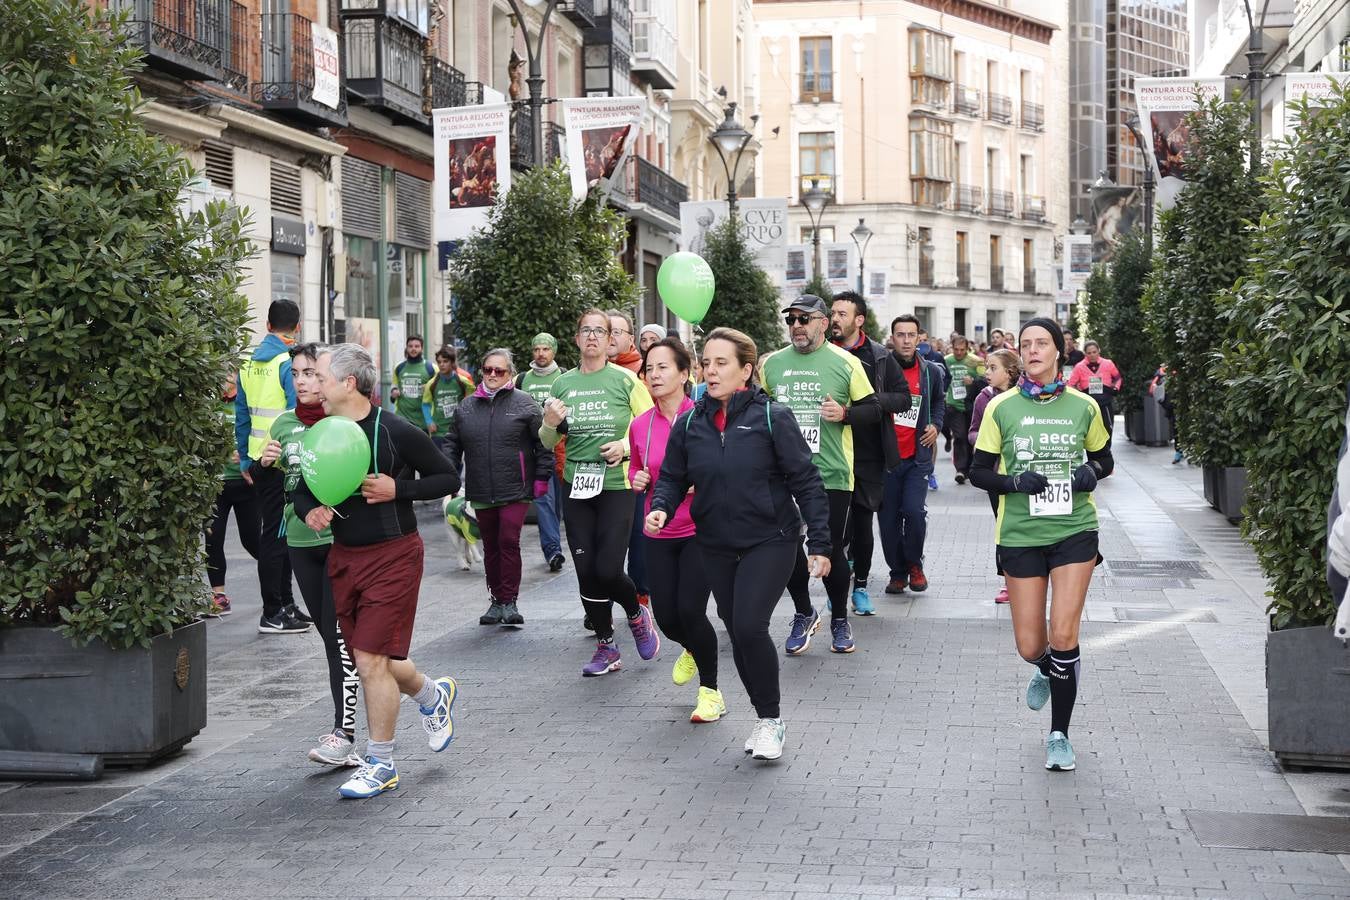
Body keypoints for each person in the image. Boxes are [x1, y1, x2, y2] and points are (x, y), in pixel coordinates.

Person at [647, 327, 831, 762]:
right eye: (706, 363)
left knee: (749, 626)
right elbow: (674, 476)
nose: (711, 371)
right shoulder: (691, 422)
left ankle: (770, 721)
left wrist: (820, 544)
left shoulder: (772, 417)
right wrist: (662, 506)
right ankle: (762, 716)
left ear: (746, 370)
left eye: (721, 363)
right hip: (715, 543)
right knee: (739, 632)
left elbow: (806, 481)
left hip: (771, 539)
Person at [292, 344, 461, 799]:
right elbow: (301, 489)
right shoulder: (321, 431)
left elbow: (448, 478)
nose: (314, 386)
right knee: (380, 660)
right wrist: (309, 511)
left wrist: (397, 488)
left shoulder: (394, 430)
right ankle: (430, 695)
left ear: (348, 383)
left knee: (368, 660)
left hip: (394, 555)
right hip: (344, 557)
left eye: (321, 377)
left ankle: (380, 762)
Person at [968, 318, 1113, 773]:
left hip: (1074, 529)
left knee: (1065, 634)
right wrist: (1013, 481)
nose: (1032, 351)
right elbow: (978, 471)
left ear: (1058, 352)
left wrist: (1092, 473)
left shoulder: (1085, 406)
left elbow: (1104, 458)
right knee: (1031, 644)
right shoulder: (1001, 407)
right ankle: (1044, 665)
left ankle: (1059, 736)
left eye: (1041, 344)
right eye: (1026, 344)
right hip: (1021, 534)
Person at [257, 343, 361, 767]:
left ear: (326, 378)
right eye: (296, 374)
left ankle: (345, 732)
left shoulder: (343, 421)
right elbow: (278, 495)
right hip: (300, 545)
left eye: (310, 374)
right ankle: (421, 690)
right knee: (330, 642)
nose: (303, 381)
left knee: (340, 642)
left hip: (339, 543)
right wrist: (265, 466)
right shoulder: (282, 425)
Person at [540, 309, 660, 676]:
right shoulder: (562, 384)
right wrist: (548, 423)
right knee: (586, 571)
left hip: (616, 485)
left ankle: (638, 615)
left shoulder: (626, 381)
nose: (592, 337)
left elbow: (650, 426)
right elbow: (548, 442)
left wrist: (624, 447)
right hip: (576, 486)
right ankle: (606, 645)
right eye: (585, 331)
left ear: (610, 341)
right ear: (576, 339)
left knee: (608, 568)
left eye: (600, 331)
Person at [761, 295, 880, 655]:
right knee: (787, 549)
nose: (796, 326)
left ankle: (839, 619)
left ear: (824, 323)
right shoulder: (774, 364)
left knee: (828, 550)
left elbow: (873, 410)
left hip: (830, 473)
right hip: (782, 474)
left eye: (804, 319)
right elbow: (759, 411)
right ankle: (803, 611)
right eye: (791, 320)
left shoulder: (847, 363)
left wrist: (844, 413)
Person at [629, 337, 723, 723]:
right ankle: (690, 647)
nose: (654, 374)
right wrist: (637, 479)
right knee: (667, 618)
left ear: (685, 374)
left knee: (691, 610)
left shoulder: (706, 419)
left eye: (663, 367)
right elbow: (637, 469)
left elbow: (725, 471)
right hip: (659, 531)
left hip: (700, 530)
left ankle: (711, 691)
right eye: (649, 368)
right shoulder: (639, 426)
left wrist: (695, 483)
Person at [441, 349, 553, 627]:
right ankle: (495, 602)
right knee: (490, 545)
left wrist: (541, 479)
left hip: (516, 488)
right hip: (480, 488)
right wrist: (448, 475)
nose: (492, 375)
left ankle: (510, 601)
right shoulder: (466, 407)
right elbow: (452, 444)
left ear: (510, 374)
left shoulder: (525, 403)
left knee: (507, 541)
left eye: (499, 371)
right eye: (488, 369)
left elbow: (543, 445)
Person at [828, 291, 910, 616]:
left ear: (859, 320)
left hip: (868, 454)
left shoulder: (877, 356)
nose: (835, 319)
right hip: (831, 453)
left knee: (862, 526)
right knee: (838, 529)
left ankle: (859, 586)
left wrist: (869, 403)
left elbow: (903, 398)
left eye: (842, 314)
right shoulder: (824, 354)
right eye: (833, 313)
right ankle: (842, 575)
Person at [236, 298, 308, 634]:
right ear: (296, 328)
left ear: (267, 326)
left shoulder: (247, 361)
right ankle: (272, 610)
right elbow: (298, 413)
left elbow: (241, 415)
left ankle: (287, 604)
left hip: (258, 460)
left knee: (279, 533)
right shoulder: (287, 362)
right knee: (277, 536)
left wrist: (245, 459)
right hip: (282, 461)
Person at [881, 315, 946, 595]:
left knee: (914, 512)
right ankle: (897, 572)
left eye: (911, 335)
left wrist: (936, 425)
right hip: (886, 459)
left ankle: (914, 565)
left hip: (917, 458)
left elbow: (939, 402)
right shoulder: (881, 369)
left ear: (919, 338)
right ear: (892, 338)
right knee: (888, 520)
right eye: (900, 335)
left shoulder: (930, 371)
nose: (906, 340)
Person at [967, 348, 1022, 605]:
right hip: (996, 475)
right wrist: (986, 441)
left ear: (1009, 372)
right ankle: (1008, 581)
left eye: (992, 368)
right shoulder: (983, 399)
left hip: (1023, 472)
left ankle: (1031, 578)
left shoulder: (1026, 397)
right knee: (1004, 526)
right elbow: (973, 431)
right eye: (986, 367)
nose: (987, 373)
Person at [206, 370, 259, 616]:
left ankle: (278, 582)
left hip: (244, 482)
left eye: (227, 374)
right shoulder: (206, 405)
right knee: (213, 540)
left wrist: (246, 453)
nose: (223, 380)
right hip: (216, 484)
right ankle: (219, 595)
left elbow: (261, 433)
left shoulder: (248, 403)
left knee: (252, 541)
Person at [607, 309, 649, 607]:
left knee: (637, 540)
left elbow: (649, 423)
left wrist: (625, 447)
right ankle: (601, 602)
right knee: (602, 546)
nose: (606, 337)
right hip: (592, 476)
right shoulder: (584, 373)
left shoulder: (642, 371)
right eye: (601, 330)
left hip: (634, 474)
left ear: (629, 339)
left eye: (615, 332)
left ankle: (639, 597)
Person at [516, 333, 568, 571]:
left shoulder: (565, 377)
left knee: (559, 503)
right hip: (534, 451)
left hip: (562, 449)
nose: (540, 353)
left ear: (553, 352)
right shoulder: (521, 379)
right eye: (536, 349)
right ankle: (553, 551)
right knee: (544, 500)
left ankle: (556, 542)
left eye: (545, 349)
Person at [944, 335, 986, 485]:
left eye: (962, 350)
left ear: (967, 349)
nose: (959, 353)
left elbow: (985, 381)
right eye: (956, 350)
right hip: (953, 404)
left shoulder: (976, 361)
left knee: (970, 438)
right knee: (960, 436)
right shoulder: (947, 360)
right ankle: (960, 470)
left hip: (971, 405)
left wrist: (973, 381)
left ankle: (969, 468)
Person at [422, 345, 474, 455]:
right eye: (439, 362)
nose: (442, 365)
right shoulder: (431, 384)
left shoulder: (463, 381)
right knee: (440, 463)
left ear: (452, 362)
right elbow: (425, 404)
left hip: (456, 430)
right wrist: (429, 421)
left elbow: (472, 400)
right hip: (438, 432)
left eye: (445, 361)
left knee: (455, 463)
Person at [1067, 340, 1123, 436]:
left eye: (1094, 352)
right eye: (1089, 353)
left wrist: (1116, 389)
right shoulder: (1079, 367)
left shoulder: (1108, 363)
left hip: (1105, 402)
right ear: (1085, 353)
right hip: (1088, 404)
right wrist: (1079, 395)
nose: (1092, 355)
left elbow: (1118, 378)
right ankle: (1093, 452)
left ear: (1099, 351)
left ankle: (1107, 451)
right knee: (1090, 433)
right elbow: (1070, 384)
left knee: (1107, 429)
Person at [916, 326, 948, 491]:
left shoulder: (936, 357)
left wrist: (943, 391)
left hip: (929, 403)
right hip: (913, 406)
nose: (921, 343)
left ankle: (931, 471)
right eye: (918, 340)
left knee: (931, 438)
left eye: (924, 340)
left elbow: (946, 376)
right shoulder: (907, 359)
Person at [390, 335, 435, 431]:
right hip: (402, 419)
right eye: (410, 346)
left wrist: (428, 387)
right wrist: (394, 393)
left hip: (423, 421)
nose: (413, 349)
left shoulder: (431, 368)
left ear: (422, 348)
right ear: (406, 348)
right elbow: (393, 387)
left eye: (417, 346)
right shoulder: (399, 367)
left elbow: (439, 391)